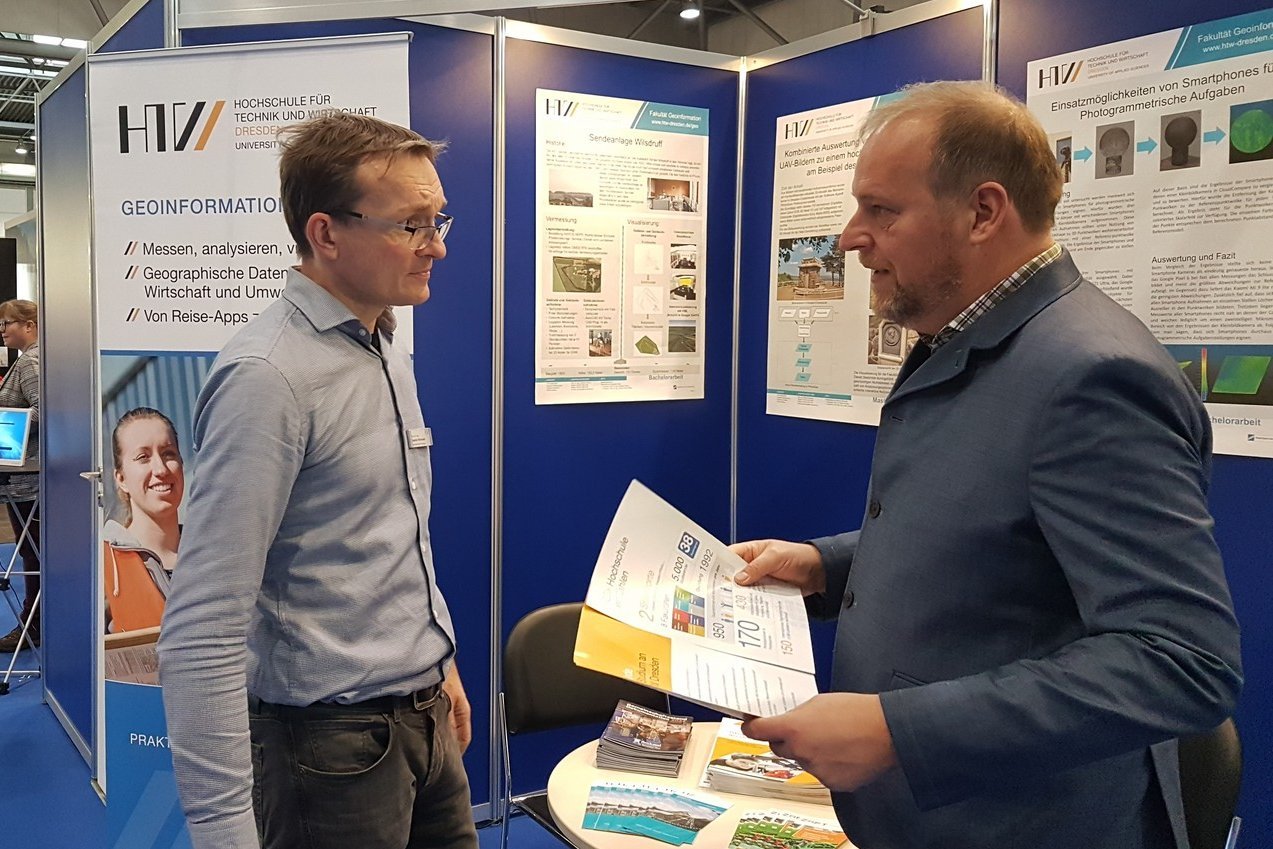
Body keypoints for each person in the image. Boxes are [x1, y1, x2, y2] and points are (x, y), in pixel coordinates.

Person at [731, 81, 1241, 849]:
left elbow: (1181, 660)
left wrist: (898, 730)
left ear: (982, 211)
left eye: (880, 210)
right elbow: (983, 531)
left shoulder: (1090, 375)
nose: (847, 238)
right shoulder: (967, 338)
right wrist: (822, 566)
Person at [158, 113, 475, 849]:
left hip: (421, 720)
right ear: (327, 234)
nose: (438, 246)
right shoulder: (267, 378)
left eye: (437, 218)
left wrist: (436, 659)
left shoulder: (384, 341)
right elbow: (203, 625)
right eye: (412, 225)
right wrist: (223, 832)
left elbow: (385, 538)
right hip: (328, 752)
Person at [103, 407, 184, 633]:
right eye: (143, 457)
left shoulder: (216, 557)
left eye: (169, 454)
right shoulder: (102, 572)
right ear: (121, 479)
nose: (160, 469)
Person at [0, 299, 40, 653]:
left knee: (32, 551)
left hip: (30, 476)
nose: (2, 329)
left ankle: (31, 627)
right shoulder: (31, 360)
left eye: (8, 322)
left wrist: (9, 429)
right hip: (26, 475)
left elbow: (45, 409)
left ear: (29, 325)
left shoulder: (30, 362)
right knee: (32, 550)